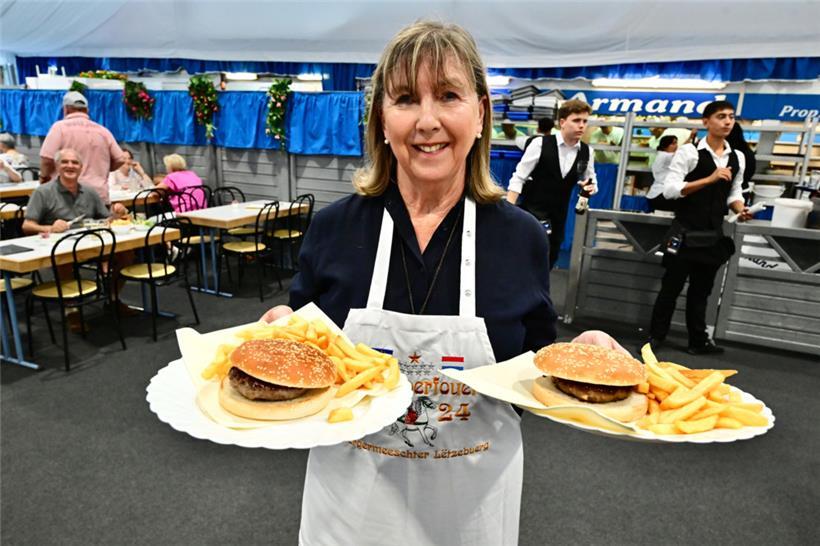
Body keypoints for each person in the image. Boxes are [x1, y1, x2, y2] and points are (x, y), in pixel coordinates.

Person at [259, 21, 626, 546]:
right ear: (382, 121)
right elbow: (305, 354)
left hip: (471, 510)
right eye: (406, 99)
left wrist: (579, 358)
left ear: (479, 113)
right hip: (352, 505)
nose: (427, 120)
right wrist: (279, 336)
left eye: (448, 96)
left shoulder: (519, 238)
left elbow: (532, 368)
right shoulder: (336, 228)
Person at [646, 100, 752, 356]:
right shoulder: (689, 153)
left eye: (731, 116)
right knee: (670, 288)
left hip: (712, 235)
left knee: (702, 291)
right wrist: (709, 178)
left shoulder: (737, 157)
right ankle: (655, 338)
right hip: (684, 232)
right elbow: (671, 190)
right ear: (706, 122)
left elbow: (733, 192)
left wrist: (740, 208)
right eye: (720, 116)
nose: (727, 121)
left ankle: (698, 340)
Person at [505, 99, 597, 269]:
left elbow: (591, 180)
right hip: (532, 212)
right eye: (576, 120)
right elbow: (519, 177)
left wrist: (589, 188)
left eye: (585, 121)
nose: (582, 126)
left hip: (559, 217)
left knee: (550, 258)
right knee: (525, 257)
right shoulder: (540, 144)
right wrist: (508, 211)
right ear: (562, 122)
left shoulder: (587, 152)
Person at [39, 91, 127, 204]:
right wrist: (101, 170)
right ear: (87, 110)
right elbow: (120, 159)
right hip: (99, 196)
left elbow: (47, 159)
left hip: (67, 197)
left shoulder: (59, 128)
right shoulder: (102, 130)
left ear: (65, 109)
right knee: (99, 222)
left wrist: (43, 178)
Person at [23, 148, 128, 235]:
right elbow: (27, 226)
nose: (70, 166)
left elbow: (106, 220)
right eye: (64, 162)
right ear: (57, 167)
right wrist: (51, 228)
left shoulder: (90, 192)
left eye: (75, 163)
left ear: (81, 168)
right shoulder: (42, 192)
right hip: (55, 246)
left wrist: (116, 214)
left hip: (88, 242)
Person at [646, 135, 678, 211]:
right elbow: (680, 154)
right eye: (673, 144)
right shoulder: (665, 156)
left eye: (676, 143)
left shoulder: (661, 155)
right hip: (660, 195)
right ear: (665, 146)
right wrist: (691, 137)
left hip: (655, 194)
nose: (676, 146)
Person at [726, 121, 756, 199]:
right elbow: (750, 172)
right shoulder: (747, 151)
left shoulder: (728, 152)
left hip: (727, 192)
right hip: (743, 190)